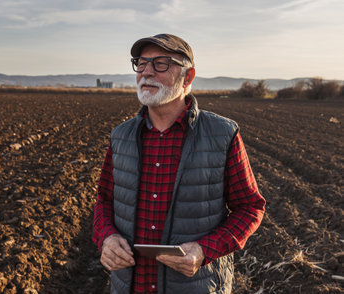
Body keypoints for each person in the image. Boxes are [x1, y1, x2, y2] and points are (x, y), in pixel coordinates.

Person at [92, 33, 266, 293]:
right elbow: (104, 201)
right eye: (141, 63)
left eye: (160, 63)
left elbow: (250, 208)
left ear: (188, 77)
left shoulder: (222, 134)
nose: (146, 72)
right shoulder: (121, 136)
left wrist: (204, 250)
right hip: (130, 286)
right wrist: (106, 237)